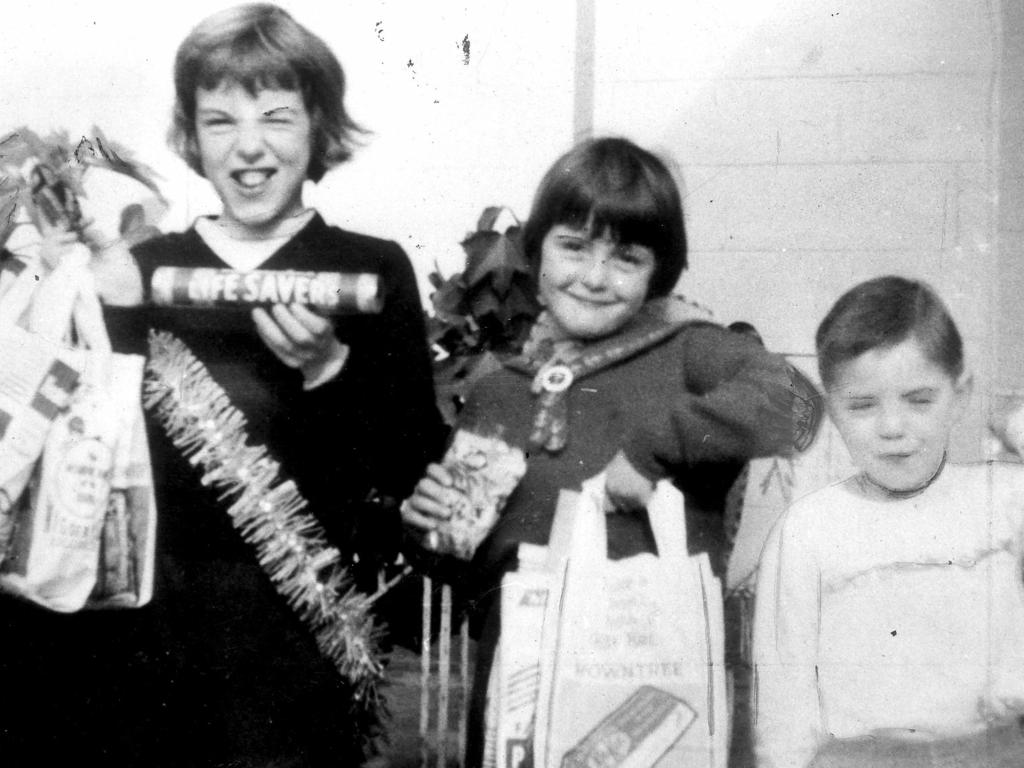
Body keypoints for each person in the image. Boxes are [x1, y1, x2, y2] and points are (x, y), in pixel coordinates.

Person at [0, 4, 445, 766]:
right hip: (140, 636)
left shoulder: (371, 269)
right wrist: (67, 287)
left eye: (276, 117)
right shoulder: (136, 265)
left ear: (318, 129)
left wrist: (330, 372)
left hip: (295, 648)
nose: (249, 147)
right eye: (219, 121)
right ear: (194, 140)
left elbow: (413, 467)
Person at [401, 136, 806, 767]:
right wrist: (430, 531)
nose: (593, 277)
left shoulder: (688, 352)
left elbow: (797, 404)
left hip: (653, 697)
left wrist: (653, 451)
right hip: (523, 699)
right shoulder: (502, 391)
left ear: (658, 272)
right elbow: (472, 574)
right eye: (573, 246)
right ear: (536, 252)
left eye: (626, 257)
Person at [753, 275, 1024, 768]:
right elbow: (783, 705)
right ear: (832, 408)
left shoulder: (1003, 500)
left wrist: (1011, 418)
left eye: (920, 400)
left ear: (960, 395)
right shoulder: (809, 529)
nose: (893, 428)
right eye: (862, 405)